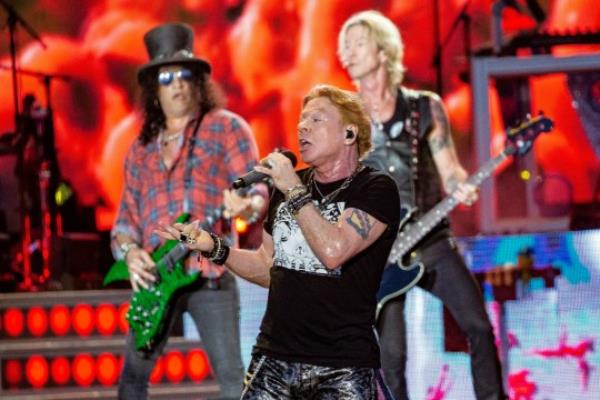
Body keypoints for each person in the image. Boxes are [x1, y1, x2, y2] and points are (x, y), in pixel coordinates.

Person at [156, 84, 401, 399]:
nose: (303, 126)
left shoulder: (376, 189)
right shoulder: (287, 189)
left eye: (317, 119)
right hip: (274, 358)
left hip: (343, 366)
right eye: (302, 120)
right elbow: (267, 266)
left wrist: (293, 190)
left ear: (349, 134)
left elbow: (334, 251)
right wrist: (214, 247)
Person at [337, 10, 507, 400]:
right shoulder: (344, 117)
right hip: (377, 252)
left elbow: (449, 169)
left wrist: (459, 185)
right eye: (343, 47)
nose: (347, 52)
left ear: (382, 49)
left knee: (478, 325)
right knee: (391, 358)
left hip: (429, 237)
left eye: (356, 42)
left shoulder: (425, 107)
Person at [111, 22, 262, 400]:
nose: (177, 84)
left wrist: (248, 204)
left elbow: (257, 189)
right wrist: (131, 255)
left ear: (197, 82)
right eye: (166, 77)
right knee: (131, 380)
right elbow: (124, 222)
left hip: (209, 274)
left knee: (232, 377)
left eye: (184, 75)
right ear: (154, 90)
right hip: (157, 280)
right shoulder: (138, 151)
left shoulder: (226, 128)